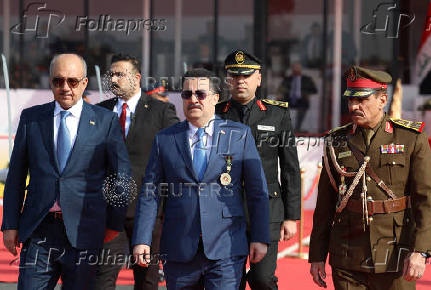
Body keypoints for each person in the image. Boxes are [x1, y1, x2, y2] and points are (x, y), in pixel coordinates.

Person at [1, 53, 131, 290]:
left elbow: (120, 177)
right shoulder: (31, 119)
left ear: (84, 83)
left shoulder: (105, 122)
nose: (65, 87)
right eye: (58, 81)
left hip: (85, 232)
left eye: (72, 81)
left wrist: (113, 225)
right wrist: (10, 223)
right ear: (50, 82)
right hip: (39, 231)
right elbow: (16, 175)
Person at [132, 68, 270, 289]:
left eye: (201, 94)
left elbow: (257, 191)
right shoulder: (165, 139)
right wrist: (141, 239)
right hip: (179, 249)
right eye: (187, 95)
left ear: (215, 98)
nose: (193, 100)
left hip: (226, 247)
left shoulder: (239, 135)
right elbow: (151, 193)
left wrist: (260, 236)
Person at [309, 66, 431, 290]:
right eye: (350, 100)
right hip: (347, 252)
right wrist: (317, 255)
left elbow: (426, 199)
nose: (353, 106)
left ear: (382, 100)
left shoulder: (410, 138)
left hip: (396, 253)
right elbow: (325, 205)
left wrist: (421, 251)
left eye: (362, 100)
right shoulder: (336, 141)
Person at [216, 50, 301, 290]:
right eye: (234, 76)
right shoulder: (215, 114)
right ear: (227, 79)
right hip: (226, 211)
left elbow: (290, 168)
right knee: (229, 281)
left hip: (267, 210)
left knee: (262, 279)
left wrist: (291, 216)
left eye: (246, 76)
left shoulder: (277, 114)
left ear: (259, 79)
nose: (240, 81)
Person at [95, 54, 179, 290]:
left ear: (137, 78)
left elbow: (177, 156)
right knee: (101, 278)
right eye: (111, 74)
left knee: (147, 282)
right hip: (107, 212)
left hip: (147, 213)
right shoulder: (98, 112)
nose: (114, 79)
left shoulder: (161, 111)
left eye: (120, 74)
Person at [278, 62, 317, 132]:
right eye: (294, 68)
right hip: (288, 99)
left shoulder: (307, 79)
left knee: (302, 109)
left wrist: (306, 94)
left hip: (302, 100)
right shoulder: (287, 79)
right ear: (292, 69)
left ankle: (297, 129)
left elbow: (314, 90)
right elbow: (281, 89)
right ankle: (286, 128)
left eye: (297, 68)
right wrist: (280, 93)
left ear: (300, 69)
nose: (296, 70)